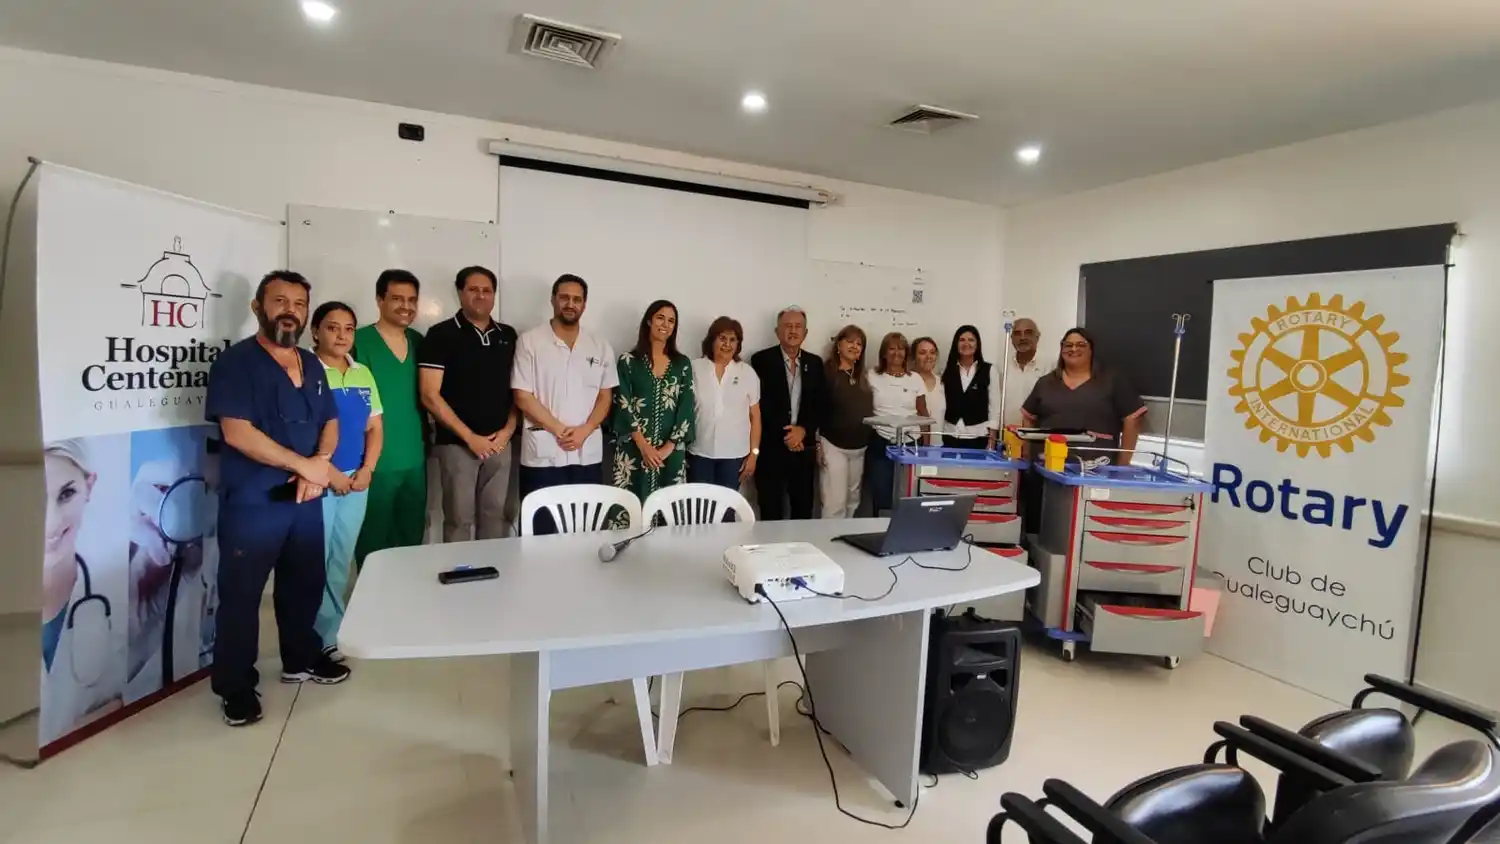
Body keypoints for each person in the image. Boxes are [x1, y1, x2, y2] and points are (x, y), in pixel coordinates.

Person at [206, 270, 349, 728]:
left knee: (304, 583)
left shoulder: (311, 363)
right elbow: (237, 432)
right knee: (242, 597)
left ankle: (300, 658)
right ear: (258, 308)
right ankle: (235, 686)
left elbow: (330, 420)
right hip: (254, 501)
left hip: (304, 499)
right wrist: (303, 466)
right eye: (280, 300)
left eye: (300, 303)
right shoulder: (237, 364)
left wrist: (320, 463)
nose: (291, 310)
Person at [512, 274, 618, 534]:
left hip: (587, 450)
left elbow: (606, 395)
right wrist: (559, 430)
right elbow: (522, 395)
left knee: (586, 527)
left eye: (576, 299)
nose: (570, 304)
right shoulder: (530, 341)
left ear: (584, 304)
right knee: (542, 530)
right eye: (564, 298)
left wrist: (585, 430)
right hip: (545, 453)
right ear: (553, 300)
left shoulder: (600, 345)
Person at [420, 266, 519, 542]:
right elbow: (429, 394)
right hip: (457, 445)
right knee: (458, 519)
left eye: (487, 290)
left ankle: (491, 577)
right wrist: (470, 438)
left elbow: (519, 391)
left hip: (500, 444)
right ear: (460, 292)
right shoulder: (440, 335)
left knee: (496, 515)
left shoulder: (508, 335)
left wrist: (508, 432)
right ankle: (459, 578)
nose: (481, 295)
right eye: (473, 289)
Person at [311, 302, 383, 662]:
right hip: (318, 482)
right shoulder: (306, 371)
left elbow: (375, 427)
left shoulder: (363, 373)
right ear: (315, 332)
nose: (341, 335)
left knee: (340, 558)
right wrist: (331, 475)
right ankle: (311, 633)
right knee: (315, 559)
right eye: (332, 328)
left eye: (349, 329)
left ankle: (332, 631)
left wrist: (367, 468)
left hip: (357, 483)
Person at [39, 439, 123, 745]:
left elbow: (121, 699)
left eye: (67, 494)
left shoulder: (116, 590)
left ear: (90, 486)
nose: (51, 523)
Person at [352, 270, 426, 565]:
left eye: (411, 300)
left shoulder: (421, 343)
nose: (405, 306)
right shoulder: (358, 341)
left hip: (414, 458)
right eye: (397, 299)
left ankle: (407, 603)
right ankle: (370, 606)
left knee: (411, 537)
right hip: (374, 460)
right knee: (373, 539)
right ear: (380, 300)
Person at [611, 300, 695, 510]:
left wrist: (668, 447)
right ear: (649, 321)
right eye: (660, 318)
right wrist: (644, 445)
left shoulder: (682, 364)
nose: (665, 324)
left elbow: (686, 407)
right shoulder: (628, 361)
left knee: (670, 513)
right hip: (634, 450)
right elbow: (623, 403)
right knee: (631, 511)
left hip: (670, 452)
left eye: (671, 321)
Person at [1021, 326, 1147, 464]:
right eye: (1068, 345)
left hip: (1096, 470)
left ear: (1091, 350)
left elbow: (1133, 418)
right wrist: (1027, 455)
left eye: (1081, 345)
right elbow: (1028, 417)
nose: (1073, 349)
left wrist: (1123, 466)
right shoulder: (1046, 383)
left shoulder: (1111, 380)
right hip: (1049, 466)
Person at [749, 306, 826, 520]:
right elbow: (760, 405)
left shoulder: (815, 363)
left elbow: (819, 405)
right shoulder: (761, 361)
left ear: (806, 333)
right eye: (788, 326)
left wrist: (803, 430)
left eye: (798, 326)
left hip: (803, 450)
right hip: (771, 449)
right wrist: (788, 436)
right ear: (777, 331)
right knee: (770, 512)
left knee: (803, 512)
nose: (793, 331)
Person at [688, 316, 761, 491]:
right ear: (712, 340)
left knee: (726, 511)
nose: (727, 344)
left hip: (734, 456)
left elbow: (755, 417)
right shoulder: (694, 368)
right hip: (699, 453)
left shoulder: (747, 373)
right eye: (722, 338)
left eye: (732, 340)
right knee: (699, 511)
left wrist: (754, 454)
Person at [864, 332, 924, 514]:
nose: (896, 353)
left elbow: (923, 412)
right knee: (881, 494)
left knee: (908, 495)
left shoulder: (915, 378)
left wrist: (926, 449)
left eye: (901, 349)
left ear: (906, 353)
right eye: (891, 348)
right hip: (881, 442)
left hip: (911, 444)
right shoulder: (872, 376)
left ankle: (905, 536)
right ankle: (880, 534)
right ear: (883, 352)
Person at [817, 325, 872, 519]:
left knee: (853, 501)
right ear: (838, 344)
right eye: (849, 341)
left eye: (859, 343)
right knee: (835, 503)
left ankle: (845, 543)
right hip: (833, 445)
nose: (854, 346)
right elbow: (815, 408)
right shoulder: (826, 373)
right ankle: (828, 544)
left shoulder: (864, 377)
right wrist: (817, 445)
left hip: (859, 448)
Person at [941, 325, 999, 449]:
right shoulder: (947, 371)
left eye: (971, 340)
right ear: (956, 344)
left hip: (978, 436)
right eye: (962, 340)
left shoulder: (989, 370)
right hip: (950, 435)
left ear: (977, 344)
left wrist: (992, 442)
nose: (966, 343)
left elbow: (994, 408)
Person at [997, 317, 1046, 433]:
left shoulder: (1051, 366)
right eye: (1017, 334)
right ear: (1011, 338)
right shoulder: (1002, 366)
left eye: (1028, 333)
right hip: (1007, 436)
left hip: (1038, 437)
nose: (1023, 338)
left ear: (1037, 337)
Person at [911, 336, 944, 444]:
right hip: (913, 448)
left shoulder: (943, 383)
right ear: (914, 357)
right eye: (922, 352)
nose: (928, 356)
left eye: (932, 352)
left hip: (940, 448)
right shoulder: (907, 381)